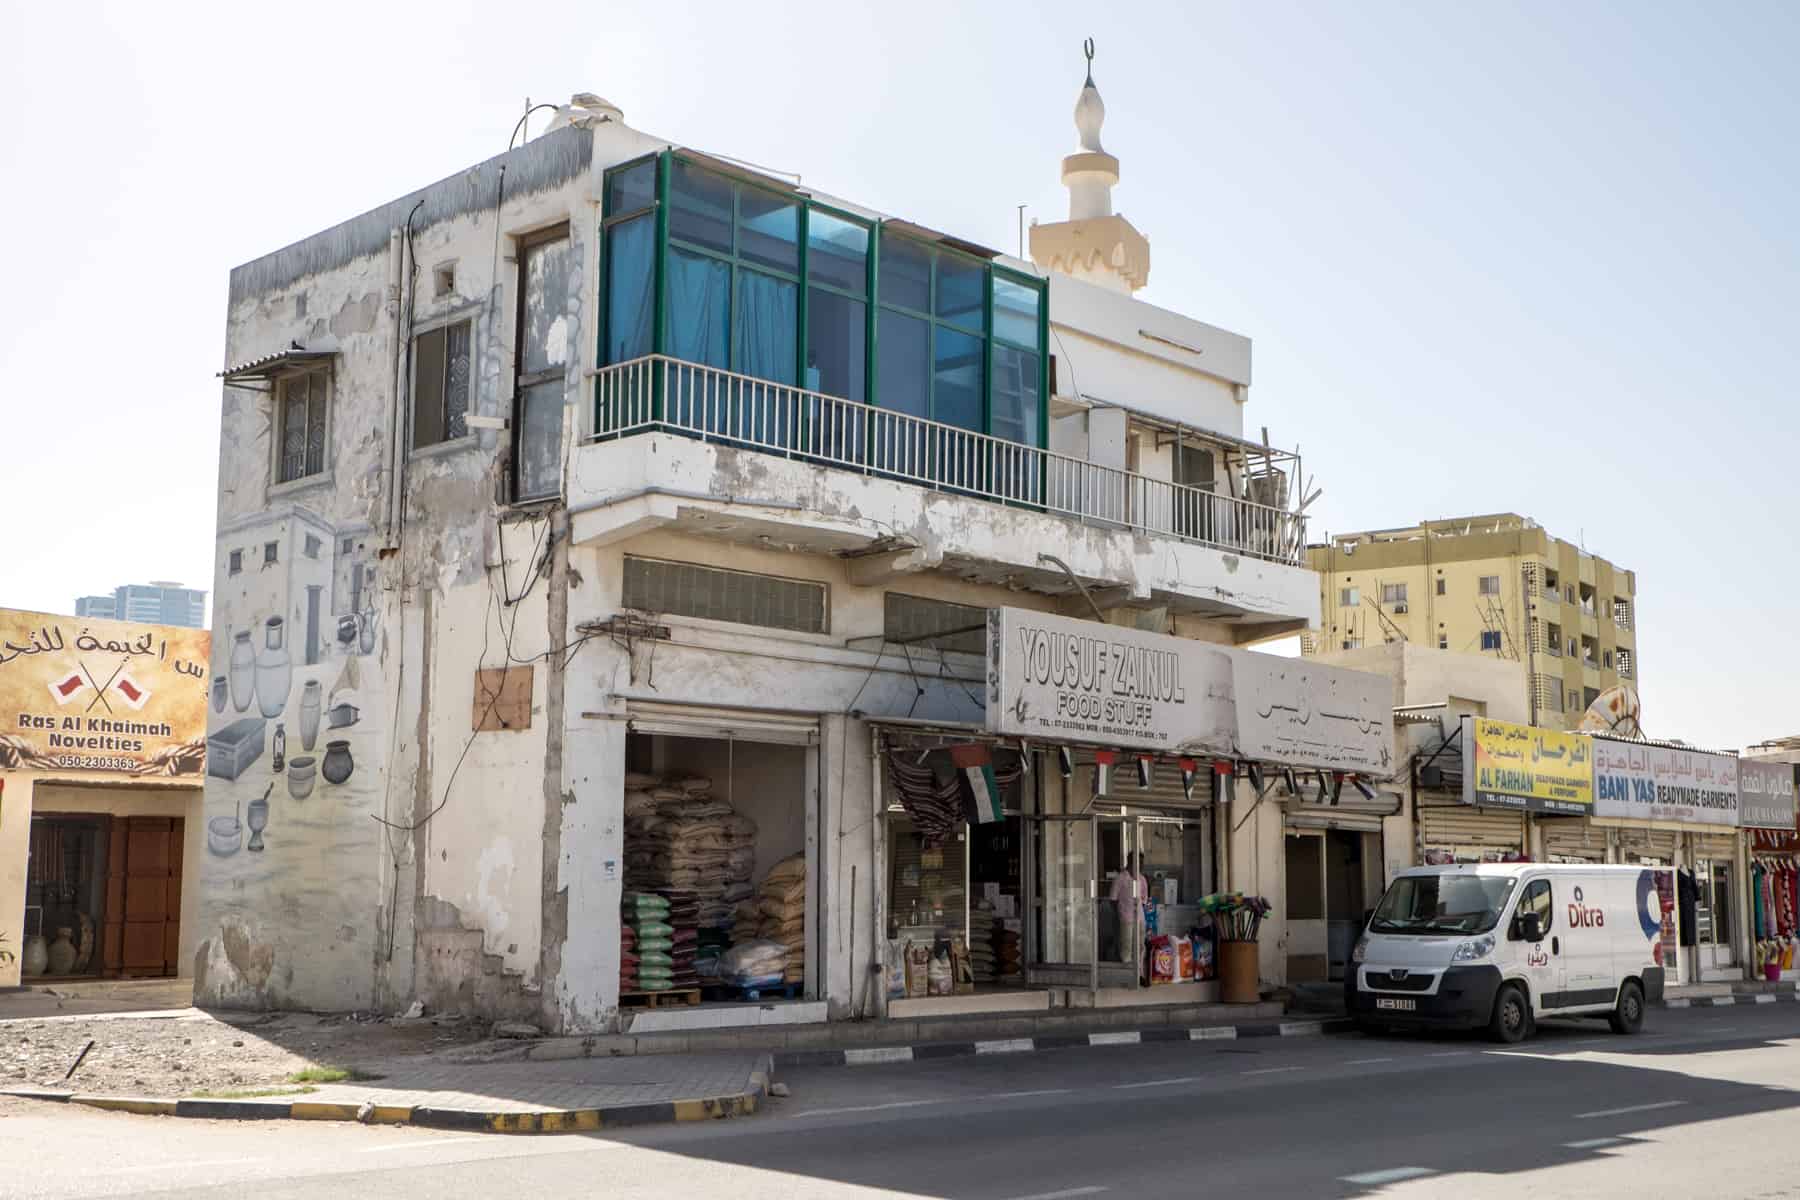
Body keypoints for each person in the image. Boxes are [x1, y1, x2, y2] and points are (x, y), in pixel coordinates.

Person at [1110, 852, 1149, 967]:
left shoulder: (1142, 879)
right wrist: (1120, 914)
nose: (1141, 865)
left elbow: (1144, 898)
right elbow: (1112, 900)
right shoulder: (1120, 878)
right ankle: (1127, 974)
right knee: (1126, 947)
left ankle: (1139, 971)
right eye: (1139, 862)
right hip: (1126, 918)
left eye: (1142, 863)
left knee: (1140, 946)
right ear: (1130, 861)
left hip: (1140, 918)